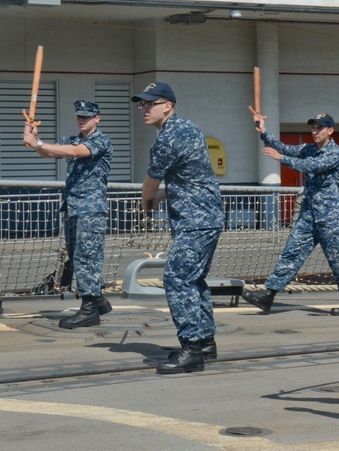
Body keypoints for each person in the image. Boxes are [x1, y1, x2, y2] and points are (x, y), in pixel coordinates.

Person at [134, 82, 225, 375]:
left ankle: (191, 350)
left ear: (167, 106)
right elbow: (187, 178)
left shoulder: (167, 138)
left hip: (195, 221)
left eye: (150, 104)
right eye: (142, 104)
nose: (144, 109)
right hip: (206, 216)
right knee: (194, 280)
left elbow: (151, 182)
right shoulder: (188, 127)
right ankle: (205, 343)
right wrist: (162, 197)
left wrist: (147, 199)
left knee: (177, 279)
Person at [242, 112, 339, 316]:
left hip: (330, 217)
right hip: (309, 215)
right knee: (291, 253)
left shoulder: (335, 153)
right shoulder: (309, 149)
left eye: (319, 128)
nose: (315, 132)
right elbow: (283, 148)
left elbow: (310, 165)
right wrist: (264, 131)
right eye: (313, 128)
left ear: (330, 131)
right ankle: (268, 295)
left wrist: (281, 159)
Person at [23, 100, 113, 329]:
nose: (81, 120)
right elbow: (47, 153)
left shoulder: (100, 140)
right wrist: (34, 139)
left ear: (97, 118)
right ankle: (97, 300)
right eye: (79, 116)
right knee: (75, 256)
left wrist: (38, 143)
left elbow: (75, 152)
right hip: (73, 206)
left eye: (86, 116)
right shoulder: (72, 139)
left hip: (90, 208)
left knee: (87, 257)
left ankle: (89, 309)